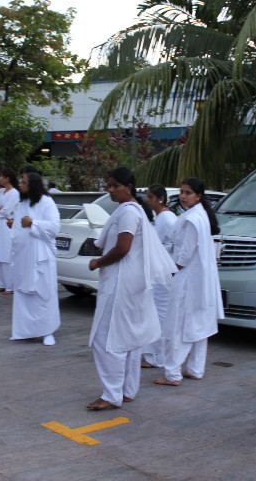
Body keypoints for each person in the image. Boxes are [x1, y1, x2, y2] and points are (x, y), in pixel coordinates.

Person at [86, 169, 176, 410]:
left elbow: (122, 248)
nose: (110, 190)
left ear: (128, 186)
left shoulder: (128, 211)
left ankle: (111, 394)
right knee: (128, 338)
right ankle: (126, 390)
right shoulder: (135, 210)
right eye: (109, 186)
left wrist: (97, 262)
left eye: (115, 185)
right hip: (131, 282)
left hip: (121, 282)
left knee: (106, 339)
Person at [153, 177, 224, 387]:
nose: (183, 196)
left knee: (178, 326)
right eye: (182, 192)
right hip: (200, 280)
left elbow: (184, 255)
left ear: (199, 196)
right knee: (199, 325)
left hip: (188, 279)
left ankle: (172, 373)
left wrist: (171, 266)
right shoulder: (198, 215)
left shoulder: (193, 219)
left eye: (188, 193)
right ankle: (195, 369)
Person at [8, 172, 60, 345]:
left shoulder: (47, 202)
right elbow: (16, 227)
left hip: (41, 257)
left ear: (33, 185)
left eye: (23, 182)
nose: (20, 185)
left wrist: (32, 223)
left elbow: (54, 228)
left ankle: (47, 331)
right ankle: (25, 330)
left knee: (43, 292)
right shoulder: (21, 202)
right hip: (23, 256)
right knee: (24, 292)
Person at [141, 184, 177, 368]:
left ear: (160, 199)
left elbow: (161, 245)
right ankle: (154, 353)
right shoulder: (161, 217)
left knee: (159, 314)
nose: (147, 200)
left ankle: (157, 356)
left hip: (163, 273)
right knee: (156, 313)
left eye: (150, 197)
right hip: (160, 271)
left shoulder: (165, 219)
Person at [0, 169, 18, 294]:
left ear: (7, 178)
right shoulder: (0, 191)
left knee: (6, 255)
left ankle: (10, 286)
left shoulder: (14, 193)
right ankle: (1, 283)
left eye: (1, 176)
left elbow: (7, 210)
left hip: (7, 224)